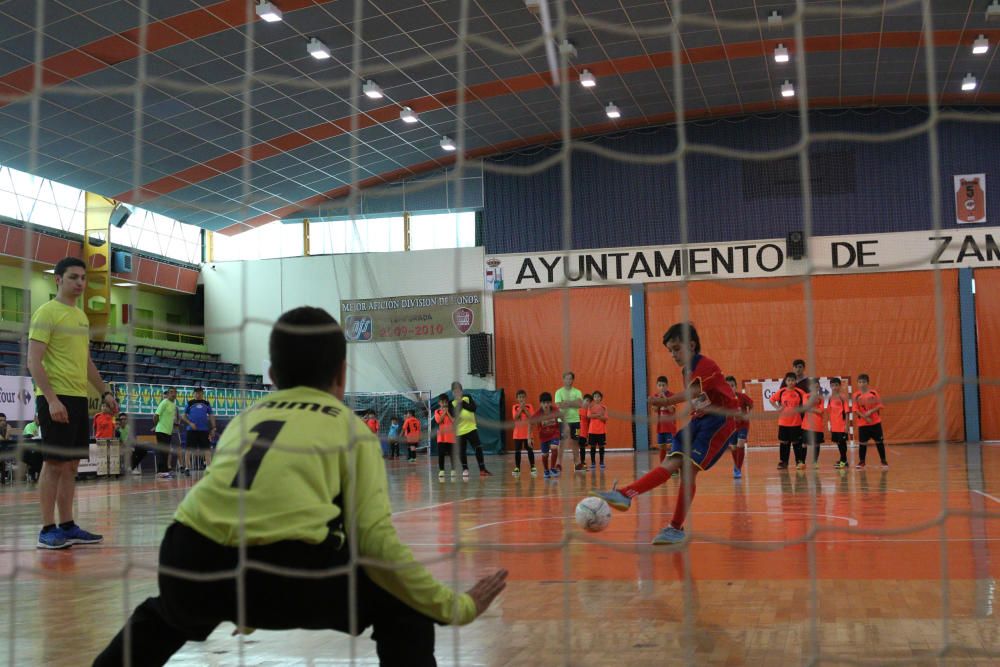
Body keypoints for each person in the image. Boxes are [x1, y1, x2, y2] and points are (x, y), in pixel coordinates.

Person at [92, 306, 508, 667]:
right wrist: (456, 606)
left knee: (165, 617)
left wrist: (243, 602)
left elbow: (244, 501)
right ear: (341, 373)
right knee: (403, 605)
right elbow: (376, 544)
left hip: (188, 553)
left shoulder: (245, 420)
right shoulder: (351, 428)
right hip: (286, 570)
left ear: (271, 375)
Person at [591, 322, 738, 545]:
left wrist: (667, 400)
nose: (673, 354)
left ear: (691, 345)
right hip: (700, 420)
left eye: (676, 348)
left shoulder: (705, 365)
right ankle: (629, 497)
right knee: (672, 462)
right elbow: (698, 399)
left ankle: (669, 523)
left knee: (687, 469)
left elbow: (695, 392)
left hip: (720, 421)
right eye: (670, 350)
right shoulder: (686, 371)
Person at [27, 256, 118, 550]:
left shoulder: (81, 317)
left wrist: (105, 392)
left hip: (78, 399)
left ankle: (67, 525)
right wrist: (51, 399)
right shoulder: (46, 313)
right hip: (56, 398)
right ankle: (46, 530)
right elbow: (33, 361)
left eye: (83, 278)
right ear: (58, 279)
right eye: (73, 277)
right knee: (53, 464)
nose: (80, 283)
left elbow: (86, 361)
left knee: (71, 466)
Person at [451, 382, 491, 478]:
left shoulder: (467, 397)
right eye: (455, 391)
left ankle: (482, 469)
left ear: (461, 391)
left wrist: (462, 403)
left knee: (478, 448)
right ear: (452, 392)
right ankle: (465, 469)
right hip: (460, 431)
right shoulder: (451, 403)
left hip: (471, 428)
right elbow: (454, 414)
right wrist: (461, 405)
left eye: (459, 391)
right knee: (462, 451)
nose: (457, 393)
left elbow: (473, 408)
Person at [770, 372, 808, 469]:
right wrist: (777, 408)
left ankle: (799, 462)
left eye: (792, 380)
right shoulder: (782, 391)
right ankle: (783, 462)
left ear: (795, 381)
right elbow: (772, 400)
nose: (791, 382)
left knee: (796, 443)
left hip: (796, 422)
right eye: (789, 380)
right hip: (783, 422)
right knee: (784, 442)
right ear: (786, 381)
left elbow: (807, 401)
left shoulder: (800, 392)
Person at [853, 374, 888, 469]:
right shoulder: (856, 395)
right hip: (863, 425)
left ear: (867, 383)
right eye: (860, 382)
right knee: (862, 444)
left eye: (864, 382)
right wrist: (865, 417)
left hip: (875, 423)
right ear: (857, 384)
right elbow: (856, 410)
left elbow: (880, 405)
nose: (862, 384)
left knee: (879, 443)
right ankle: (862, 462)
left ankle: (884, 461)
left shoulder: (873, 393)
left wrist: (871, 411)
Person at [554, 372, 584, 472]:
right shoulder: (559, 392)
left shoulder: (578, 392)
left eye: (570, 379)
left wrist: (567, 403)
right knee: (562, 443)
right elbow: (559, 405)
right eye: (567, 379)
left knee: (575, 442)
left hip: (575, 421)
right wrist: (572, 403)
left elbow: (579, 404)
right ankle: (558, 464)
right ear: (563, 379)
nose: (568, 381)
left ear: (573, 380)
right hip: (563, 422)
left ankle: (577, 463)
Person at [725, 376, 753, 479]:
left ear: (735, 386)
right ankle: (736, 465)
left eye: (732, 386)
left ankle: (738, 469)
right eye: (727, 386)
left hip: (743, 425)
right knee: (733, 447)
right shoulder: (724, 399)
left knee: (740, 444)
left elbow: (751, 405)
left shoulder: (742, 396)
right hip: (731, 426)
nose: (730, 388)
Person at [182, 387, 217, 470]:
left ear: (202, 394)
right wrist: (190, 423)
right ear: (193, 394)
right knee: (189, 449)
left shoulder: (206, 403)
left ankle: (209, 468)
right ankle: (187, 467)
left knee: (206, 449)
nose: (198, 394)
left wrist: (214, 427)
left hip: (204, 430)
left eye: (200, 393)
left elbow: (211, 415)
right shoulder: (190, 403)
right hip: (191, 430)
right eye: (197, 393)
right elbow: (183, 416)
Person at [531, 392, 561, 479]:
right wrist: (529, 437)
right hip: (543, 436)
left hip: (554, 433)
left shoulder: (555, 410)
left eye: (548, 402)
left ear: (550, 403)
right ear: (541, 404)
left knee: (554, 448)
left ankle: (552, 468)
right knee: (545, 455)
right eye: (544, 403)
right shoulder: (538, 413)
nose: (546, 405)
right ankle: (546, 470)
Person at [152, 388, 179, 479]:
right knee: (162, 451)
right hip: (161, 430)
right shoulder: (164, 402)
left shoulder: (174, 405)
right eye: (171, 392)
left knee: (166, 452)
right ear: (167, 394)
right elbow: (156, 415)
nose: (173, 394)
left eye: (175, 392)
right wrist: (156, 426)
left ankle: (165, 471)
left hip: (168, 432)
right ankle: (161, 472)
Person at [649, 375, 676, 464]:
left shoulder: (672, 395)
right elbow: (655, 410)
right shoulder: (655, 396)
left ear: (667, 386)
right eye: (659, 385)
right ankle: (662, 467)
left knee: (671, 449)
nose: (661, 387)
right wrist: (658, 401)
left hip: (670, 427)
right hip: (660, 427)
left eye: (663, 385)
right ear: (657, 386)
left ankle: (673, 469)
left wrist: (664, 398)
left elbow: (671, 410)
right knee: (662, 449)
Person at [510, 389, 536, 476]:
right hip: (517, 434)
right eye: (520, 397)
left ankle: (532, 467)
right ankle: (517, 467)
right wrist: (521, 408)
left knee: (530, 450)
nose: (521, 399)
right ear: (517, 398)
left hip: (528, 434)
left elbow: (531, 417)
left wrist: (524, 408)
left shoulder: (529, 406)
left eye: (523, 397)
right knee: (517, 451)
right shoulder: (515, 407)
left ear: (525, 398)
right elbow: (515, 417)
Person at [801, 378, 826, 465]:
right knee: (804, 444)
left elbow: (821, 411)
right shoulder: (806, 396)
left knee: (816, 444)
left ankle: (814, 462)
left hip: (818, 425)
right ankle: (802, 462)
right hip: (807, 425)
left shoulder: (821, 398)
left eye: (817, 387)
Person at [434, 394, 457, 480]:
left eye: (446, 402)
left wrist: (448, 412)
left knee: (452, 454)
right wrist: (444, 412)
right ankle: (441, 470)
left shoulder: (451, 411)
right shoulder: (437, 411)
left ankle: (453, 470)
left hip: (451, 436)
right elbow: (439, 421)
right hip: (441, 437)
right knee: (441, 454)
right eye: (442, 402)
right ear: (439, 403)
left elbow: (454, 421)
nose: (444, 404)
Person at [828, 377, 850, 468]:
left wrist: (847, 425)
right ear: (830, 386)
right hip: (834, 425)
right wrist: (830, 424)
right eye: (832, 385)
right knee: (838, 442)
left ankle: (844, 461)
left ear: (840, 386)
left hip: (842, 425)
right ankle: (843, 459)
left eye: (836, 385)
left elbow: (847, 412)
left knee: (842, 443)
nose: (834, 387)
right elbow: (830, 411)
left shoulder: (843, 397)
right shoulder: (830, 398)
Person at [587, 390, 608, 470]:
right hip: (592, 431)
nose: (597, 398)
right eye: (595, 396)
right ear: (593, 398)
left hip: (601, 431)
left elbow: (606, 418)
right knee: (592, 447)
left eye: (598, 396)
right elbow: (589, 416)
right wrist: (599, 415)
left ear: (601, 398)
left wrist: (595, 416)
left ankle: (601, 462)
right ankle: (593, 462)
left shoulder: (604, 407)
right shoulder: (590, 407)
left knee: (601, 447)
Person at [577, 393, 592, 473]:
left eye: (589, 401)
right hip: (577, 431)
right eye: (586, 400)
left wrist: (587, 435)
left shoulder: (589, 411)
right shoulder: (578, 409)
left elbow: (589, 423)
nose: (588, 403)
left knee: (582, 448)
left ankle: (583, 463)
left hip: (584, 432)